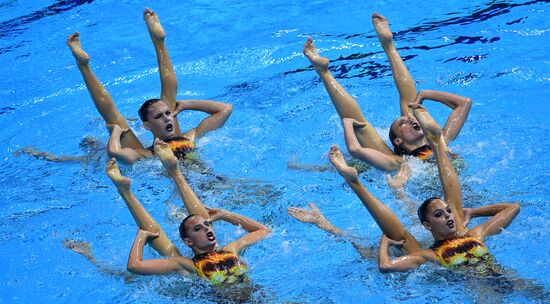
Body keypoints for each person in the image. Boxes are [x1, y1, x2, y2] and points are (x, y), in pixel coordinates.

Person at [289, 103, 519, 274]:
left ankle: (359, 184)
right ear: (428, 225)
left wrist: (473, 211)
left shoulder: (473, 233)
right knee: (393, 240)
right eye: (440, 214)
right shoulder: (429, 254)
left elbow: (513, 207)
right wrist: (383, 243)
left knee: (411, 229)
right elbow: (385, 265)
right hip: (480, 291)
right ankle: (355, 185)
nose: (448, 216)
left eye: (446, 212)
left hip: (506, 279)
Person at [302, 13, 471, 172]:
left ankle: (388, 45)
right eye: (403, 124)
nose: (411, 120)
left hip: (449, 198)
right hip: (436, 198)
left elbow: (465, 103)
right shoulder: (400, 164)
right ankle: (324, 73)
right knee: (360, 127)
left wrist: (426, 93)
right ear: (398, 141)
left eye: (407, 121)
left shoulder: (440, 140)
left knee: (411, 104)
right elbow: (355, 148)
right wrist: (348, 124)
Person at [62, 8, 232, 164]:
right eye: (159, 117)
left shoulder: (188, 138)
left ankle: (158, 41)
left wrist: (185, 105)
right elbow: (116, 153)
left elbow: (226, 109)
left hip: (205, 186)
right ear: (147, 126)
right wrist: (115, 131)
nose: (167, 118)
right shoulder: (148, 154)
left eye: (167, 114)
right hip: (201, 188)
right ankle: (84, 66)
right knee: (118, 118)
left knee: (131, 114)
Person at [101, 139, 270, 284]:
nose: (207, 228)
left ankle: (174, 173)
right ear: (189, 242)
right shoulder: (186, 265)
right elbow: (134, 266)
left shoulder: (231, 249)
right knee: (167, 244)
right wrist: (141, 236)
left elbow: (263, 231)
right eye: (198, 229)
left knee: (194, 224)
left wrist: (225, 214)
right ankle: (125, 192)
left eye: (207, 226)